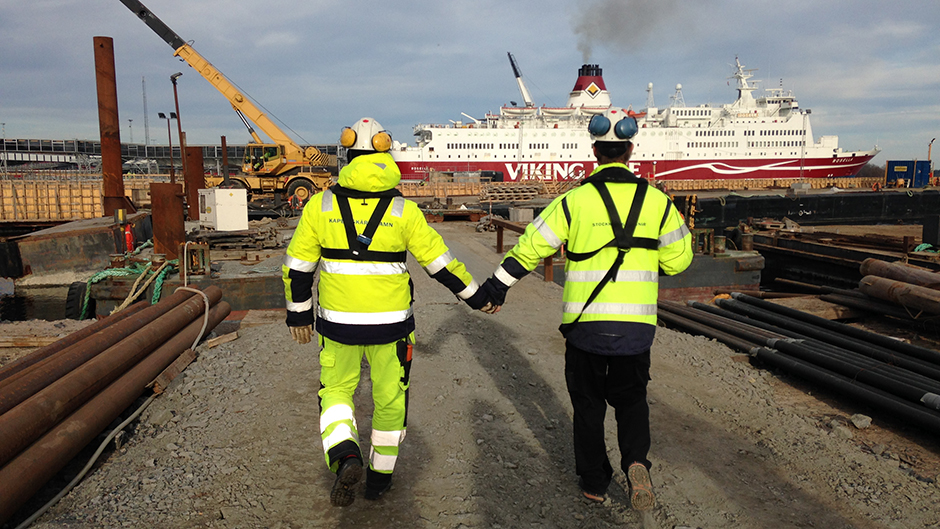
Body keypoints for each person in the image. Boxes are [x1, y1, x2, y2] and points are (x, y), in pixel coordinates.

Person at [480, 108, 693, 510]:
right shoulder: (658, 202)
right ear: (629, 150)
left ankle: (594, 481)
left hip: (585, 328)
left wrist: (496, 287)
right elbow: (680, 259)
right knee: (632, 401)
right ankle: (635, 462)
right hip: (635, 330)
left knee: (588, 407)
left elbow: (531, 247)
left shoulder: (572, 201)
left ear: (595, 150)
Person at [282, 117, 493, 507]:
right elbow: (440, 263)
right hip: (392, 326)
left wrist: (299, 313)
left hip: (338, 324)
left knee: (337, 392)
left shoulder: (320, 204)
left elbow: (298, 266)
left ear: (347, 155)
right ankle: (379, 479)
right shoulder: (404, 210)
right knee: (391, 398)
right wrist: (477, 297)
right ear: (386, 154)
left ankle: (346, 455)